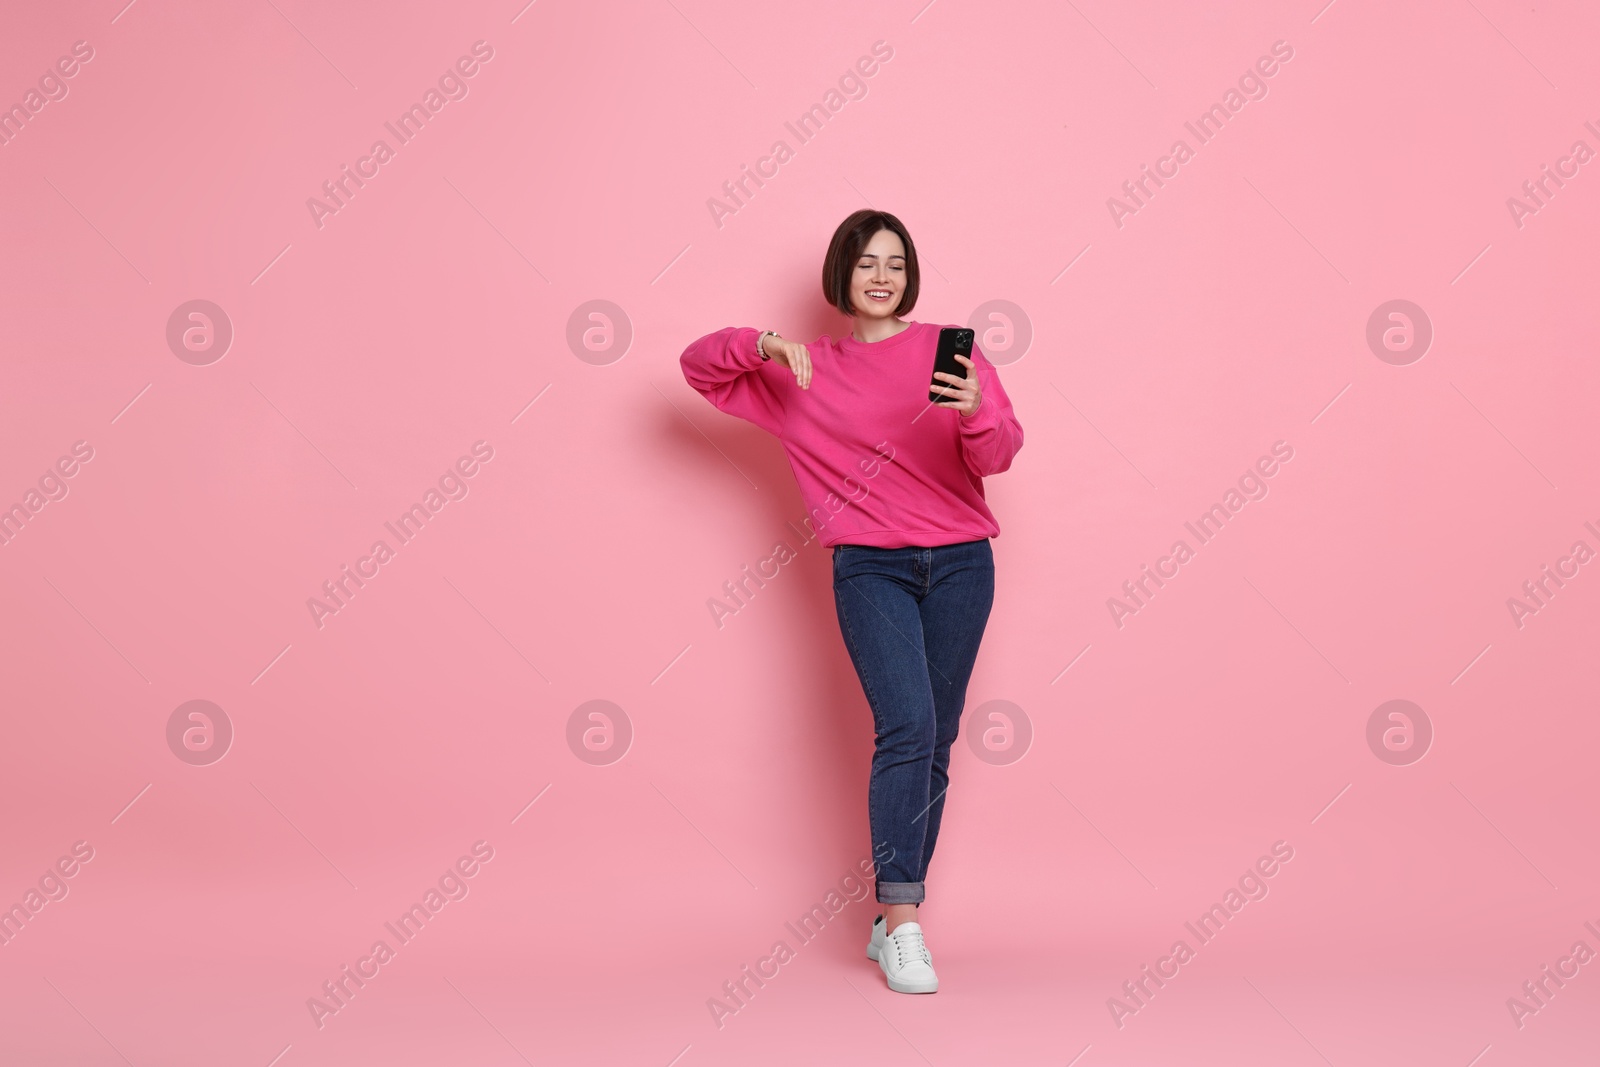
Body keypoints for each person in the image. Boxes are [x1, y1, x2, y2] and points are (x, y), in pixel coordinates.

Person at [679, 209, 1024, 994]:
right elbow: (699, 366)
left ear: (909, 276)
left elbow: (998, 455)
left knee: (936, 741)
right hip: (871, 567)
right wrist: (761, 344)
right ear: (843, 273)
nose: (882, 276)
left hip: (964, 564)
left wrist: (975, 408)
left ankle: (885, 922)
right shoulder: (803, 371)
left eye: (896, 263)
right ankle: (904, 922)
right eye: (867, 262)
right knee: (906, 723)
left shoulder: (948, 350)